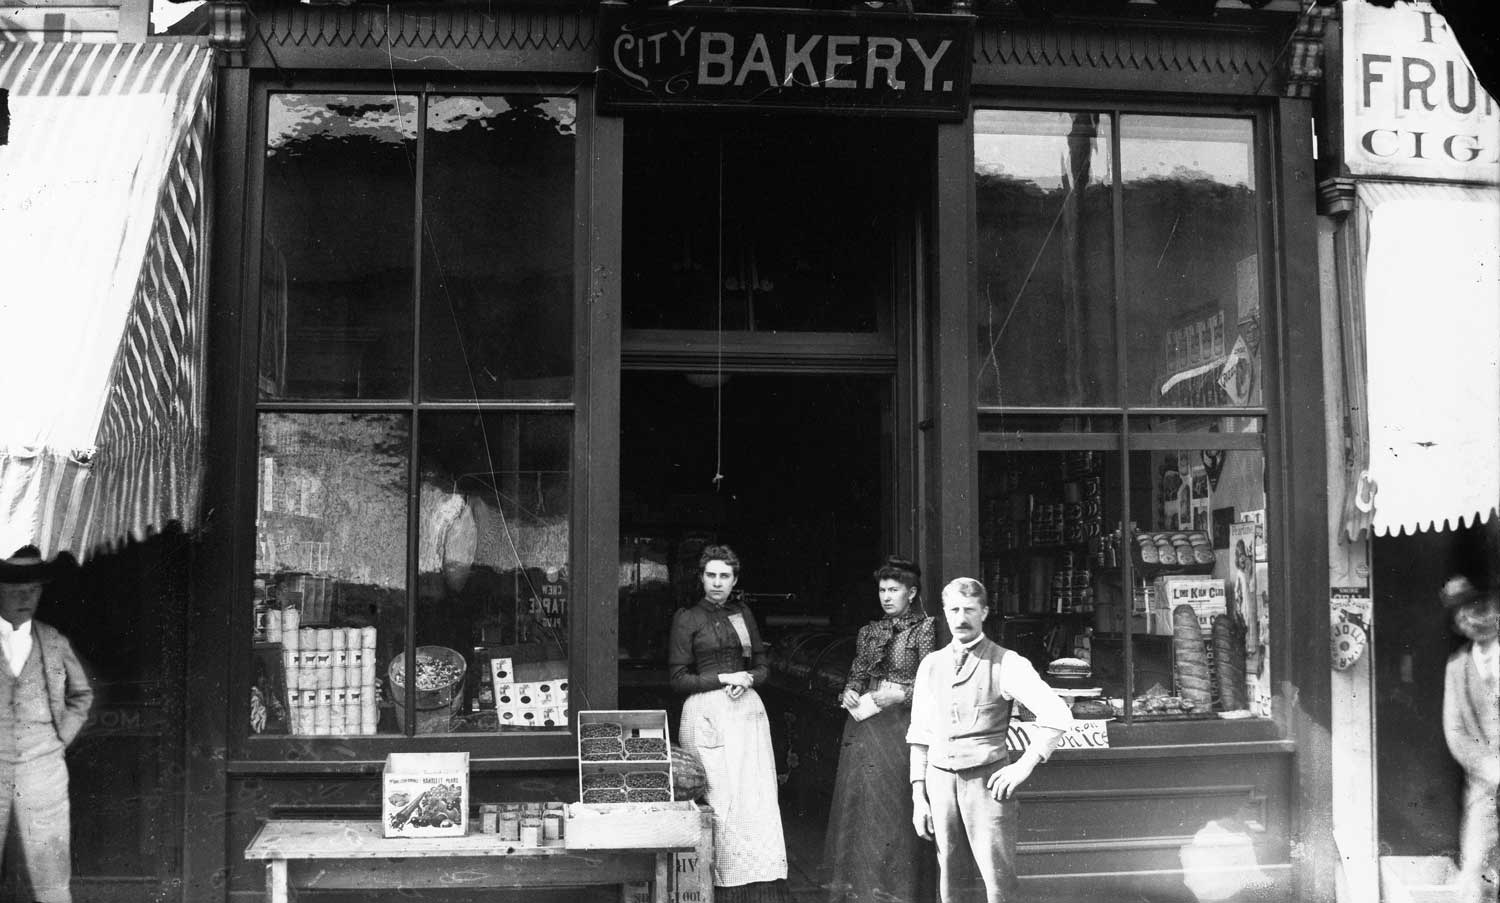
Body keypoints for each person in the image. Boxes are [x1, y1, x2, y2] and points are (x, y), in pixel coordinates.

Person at [907, 577, 1074, 903]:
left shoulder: (1007, 662)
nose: (961, 618)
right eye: (953, 609)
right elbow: (920, 732)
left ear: (984, 612)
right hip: (939, 782)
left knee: (998, 881)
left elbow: (1057, 716)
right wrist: (918, 796)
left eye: (969, 609)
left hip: (987, 782)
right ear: (943, 612)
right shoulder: (931, 665)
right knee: (949, 879)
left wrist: (1023, 766)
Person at [669, 544, 789, 903]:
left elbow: (764, 665)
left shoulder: (743, 614)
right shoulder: (687, 618)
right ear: (701, 577)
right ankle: (721, 888)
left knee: (756, 801)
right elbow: (678, 679)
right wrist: (724, 677)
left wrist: (749, 678)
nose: (717, 583)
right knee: (720, 800)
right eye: (711, 575)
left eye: (724, 576)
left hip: (747, 714)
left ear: (735, 580)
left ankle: (759, 887)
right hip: (706, 714)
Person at [824, 555, 936, 903]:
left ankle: (894, 893)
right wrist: (849, 692)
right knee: (859, 810)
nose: (887, 596)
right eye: (883, 590)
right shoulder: (869, 631)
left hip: (900, 728)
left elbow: (933, 686)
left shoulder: (926, 629)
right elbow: (857, 673)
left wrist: (900, 694)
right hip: (864, 728)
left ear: (912, 593)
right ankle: (857, 892)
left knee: (892, 812)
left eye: (895, 590)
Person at [0, 546, 94, 903]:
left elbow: (81, 695)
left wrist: (59, 739)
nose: (26, 597)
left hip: (43, 766)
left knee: (51, 873)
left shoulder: (53, 642)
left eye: (34, 589)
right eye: (15, 588)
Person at [1440, 575, 1499, 903]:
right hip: (1484, 785)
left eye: (1477, 606)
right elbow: (1456, 733)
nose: (1470, 618)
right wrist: (1490, 768)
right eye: (1460, 615)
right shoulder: (1457, 667)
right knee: (1475, 869)